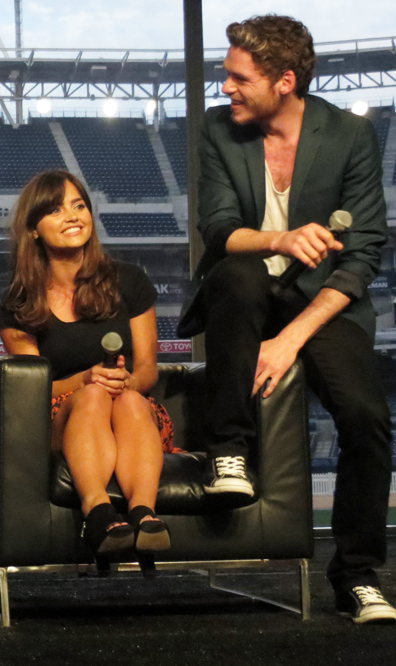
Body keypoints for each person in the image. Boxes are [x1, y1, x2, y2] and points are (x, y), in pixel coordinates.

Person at [178, 15, 395, 624]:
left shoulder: (351, 135)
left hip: (321, 301)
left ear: (285, 80)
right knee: (241, 274)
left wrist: (288, 341)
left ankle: (356, 576)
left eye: (238, 77)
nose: (226, 87)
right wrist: (282, 238)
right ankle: (228, 451)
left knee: (367, 416)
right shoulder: (220, 131)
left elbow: (363, 253)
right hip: (243, 288)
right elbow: (219, 231)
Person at [0, 170, 174, 563]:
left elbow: (148, 369)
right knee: (94, 394)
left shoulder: (129, 281)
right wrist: (85, 380)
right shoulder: (20, 302)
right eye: (57, 210)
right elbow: (30, 391)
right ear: (34, 231)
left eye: (79, 206)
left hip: (133, 411)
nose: (73, 216)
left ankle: (144, 516)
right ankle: (97, 511)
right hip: (61, 418)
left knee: (127, 400)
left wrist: (127, 382)